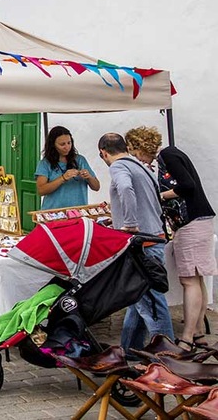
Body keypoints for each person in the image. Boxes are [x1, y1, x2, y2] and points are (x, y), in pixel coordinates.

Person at [126, 126, 218, 350]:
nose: (134, 156)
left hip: (192, 223)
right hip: (197, 223)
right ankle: (197, 334)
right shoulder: (167, 157)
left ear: (140, 146)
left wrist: (158, 196)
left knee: (189, 280)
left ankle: (186, 339)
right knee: (196, 279)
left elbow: (187, 186)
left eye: (133, 150)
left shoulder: (168, 155)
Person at [98, 132, 175, 351]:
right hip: (154, 237)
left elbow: (124, 188)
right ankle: (130, 348)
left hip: (142, 243)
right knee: (138, 297)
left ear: (103, 152)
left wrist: (130, 223)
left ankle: (167, 355)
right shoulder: (141, 166)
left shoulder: (119, 166)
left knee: (151, 302)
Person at [35, 126, 101, 210]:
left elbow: (96, 187)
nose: (67, 147)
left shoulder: (80, 160)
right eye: (62, 144)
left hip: (78, 213)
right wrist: (63, 178)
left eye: (69, 143)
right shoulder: (45, 163)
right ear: (53, 145)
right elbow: (41, 190)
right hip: (54, 214)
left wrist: (89, 177)